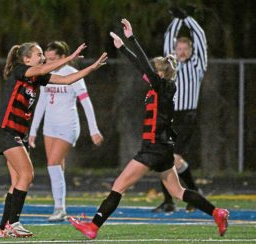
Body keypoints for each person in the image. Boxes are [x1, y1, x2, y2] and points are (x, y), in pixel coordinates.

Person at [68, 18, 228, 240]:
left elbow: (142, 63)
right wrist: (122, 48)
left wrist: (130, 39)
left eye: (153, 72)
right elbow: (140, 66)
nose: (148, 74)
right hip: (163, 148)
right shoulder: (163, 87)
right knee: (178, 191)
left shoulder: (162, 86)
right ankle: (216, 212)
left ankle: (93, 227)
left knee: (118, 186)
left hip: (153, 148)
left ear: (159, 75)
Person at [0, 41, 107, 238]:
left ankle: (3, 227)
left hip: (18, 134)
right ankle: (14, 223)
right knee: (27, 175)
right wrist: (69, 58)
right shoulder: (20, 70)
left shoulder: (37, 79)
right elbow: (42, 68)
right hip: (6, 131)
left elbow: (68, 79)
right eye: (38, 54)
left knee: (17, 181)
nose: (42, 57)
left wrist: (92, 67)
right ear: (26, 59)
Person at [28, 41, 104, 222]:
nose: (49, 61)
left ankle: (59, 208)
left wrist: (94, 129)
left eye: (53, 58)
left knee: (53, 163)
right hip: (50, 126)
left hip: (68, 125)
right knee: (56, 165)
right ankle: (60, 206)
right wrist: (33, 130)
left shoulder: (72, 74)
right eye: (47, 58)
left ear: (63, 57)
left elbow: (85, 102)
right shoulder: (45, 73)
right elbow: (42, 103)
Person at [153, 6, 207, 213]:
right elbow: (168, 41)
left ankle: (192, 194)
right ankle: (171, 200)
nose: (182, 51)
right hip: (169, 115)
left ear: (191, 51)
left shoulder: (197, 65)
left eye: (186, 48)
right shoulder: (171, 66)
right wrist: (177, 20)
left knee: (172, 159)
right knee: (163, 158)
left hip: (187, 117)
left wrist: (189, 19)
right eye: (179, 48)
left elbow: (201, 40)